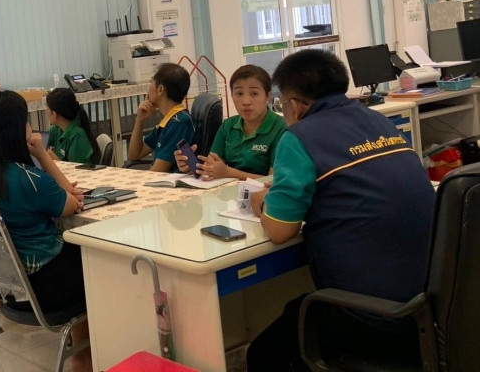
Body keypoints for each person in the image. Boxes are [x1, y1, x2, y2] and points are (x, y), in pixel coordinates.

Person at [246, 49, 435, 371]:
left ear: (296, 106)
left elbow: (279, 231)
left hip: (373, 316)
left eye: (282, 104)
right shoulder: (378, 120)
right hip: (432, 305)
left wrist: (262, 202)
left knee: (264, 354)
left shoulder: (299, 137)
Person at [0, 90, 91, 372]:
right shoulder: (28, 179)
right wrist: (41, 154)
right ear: (17, 130)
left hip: (7, 287)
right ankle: (84, 357)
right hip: (45, 288)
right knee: (94, 259)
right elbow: (72, 202)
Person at [174, 65, 285, 180]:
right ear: (232, 95)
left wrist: (229, 173)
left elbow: (274, 181)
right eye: (239, 94)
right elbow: (211, 167)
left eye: (254, 94)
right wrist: (192, 167)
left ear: (268, 96)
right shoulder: (228, 126)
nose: (246, 102)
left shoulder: (282, 129)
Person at [128, 63, 195, 172]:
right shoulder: (168, 121)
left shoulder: (178, 123)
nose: (148, 88)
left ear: (160, 90)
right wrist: (140, 120)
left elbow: (157, 172)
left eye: (151, 82)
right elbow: (134, 154)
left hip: (168, 181)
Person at [46, 88, 101, 165]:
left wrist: (50, 156)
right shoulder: (57, 129)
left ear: (54, 114)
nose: (46, 112)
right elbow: (40, 140)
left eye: (47, 109)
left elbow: (75, 169)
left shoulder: (77, 136)